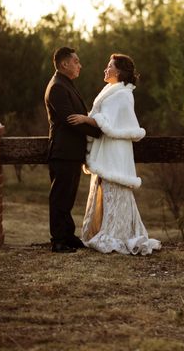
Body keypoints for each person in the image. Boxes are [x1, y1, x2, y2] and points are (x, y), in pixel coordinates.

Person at [67, 54, 161, 255]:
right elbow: (104, 119)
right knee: (102, 188)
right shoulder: (110, 90)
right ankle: (98, 229)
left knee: (114, 189)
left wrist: (85, 119)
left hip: (115, 150)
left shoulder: (124, 94)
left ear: (118, 71)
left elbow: (110, 122)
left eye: (109, 66)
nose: (105, 69)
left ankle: (116, 232)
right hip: (106, 148)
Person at [44, 47, 102, 253]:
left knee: (68, 196)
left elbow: (79, 116)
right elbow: (70, 120)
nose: (80, 65)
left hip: (72, 153)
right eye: (76, 61)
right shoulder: (58, 87)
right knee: (60, 196)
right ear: (64, 64)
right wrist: (100, 131)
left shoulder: (66, 84)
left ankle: (68, 235)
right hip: (63, 152)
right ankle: (58, 240)